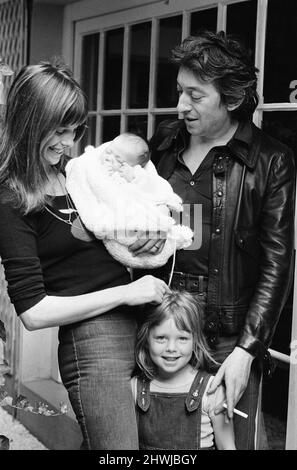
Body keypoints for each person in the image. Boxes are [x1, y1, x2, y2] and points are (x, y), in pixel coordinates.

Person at [0, 60, 170, 450]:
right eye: (58, 130)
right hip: (95, 340)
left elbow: (124, 215)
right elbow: (33, 311)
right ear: (29, 122)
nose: (68, 140)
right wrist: (127, 292)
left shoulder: (77, 174)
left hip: (143, 325)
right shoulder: (11, 198)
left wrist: (144, 238)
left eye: (74, 129)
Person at [139, 30, 295, 449]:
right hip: (161, 326)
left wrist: (247, 349)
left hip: (228, 336)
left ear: (231, 98)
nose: (180, 106)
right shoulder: (164, 143)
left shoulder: (271, 159)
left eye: (195, 95)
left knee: (234, 444)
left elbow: (277, 262)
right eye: (179, 92)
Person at [65, 132, 193, 269]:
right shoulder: (94, 166)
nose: (109, 158)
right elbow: (95, 187)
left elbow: (155, 191)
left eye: (119, 160)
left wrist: (134, 180)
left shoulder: (135, 175)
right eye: (108, 152)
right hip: (110, 218)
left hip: (135, 215)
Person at [132, 290, 236, 450]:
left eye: (182, 338)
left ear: (195, 341)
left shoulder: (212, 390)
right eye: (161, 338)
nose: (171, 348)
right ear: (146, 340)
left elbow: (227, 447)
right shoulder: (134, 387)